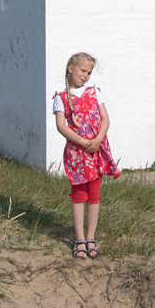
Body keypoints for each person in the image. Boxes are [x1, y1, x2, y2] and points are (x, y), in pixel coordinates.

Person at [53, 52, 120, 259]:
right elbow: (61, 126)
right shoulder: (61, 97)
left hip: (96, 152)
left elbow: (105, 118)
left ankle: (91, 236)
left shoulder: (95, 93)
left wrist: (98, 139)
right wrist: (82, 142)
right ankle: (80, 238)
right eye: (83, 70)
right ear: (71, 68)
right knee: (78, 195)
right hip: (77, 154)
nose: (86, 76)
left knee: (94, 195)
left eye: (89, 73)